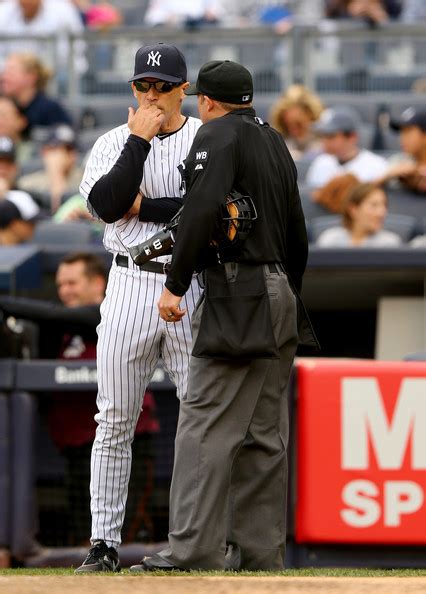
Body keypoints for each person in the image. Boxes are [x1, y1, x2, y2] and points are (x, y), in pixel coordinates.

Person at [131, 59, 317, 572]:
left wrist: (172, 285)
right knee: (263, 432)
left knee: (204, 420)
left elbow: (201, 210)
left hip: (241, 289)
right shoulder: (275, 141)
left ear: (207, 102)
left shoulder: (216, 135)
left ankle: (191, 550)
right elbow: (298, 229)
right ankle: (259, 555)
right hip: (279, 289)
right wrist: (286, 293)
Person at [74, 42, 202, 573]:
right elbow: (105, 205)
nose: (152, 96)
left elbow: (207, 209)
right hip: (127, 285)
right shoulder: (112, 142)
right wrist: (139, 142)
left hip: (190, 283)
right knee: (114, 420)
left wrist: (143, 206)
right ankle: (103, 545)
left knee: (199, 418)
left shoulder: (204, 138)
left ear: (183, 89)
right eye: (143, 86)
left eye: (163, 87)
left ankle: (200, 539)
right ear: (133, 88)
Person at [0, 252, 160, 546]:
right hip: (76, 446)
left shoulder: (115, 313)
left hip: (127, 442)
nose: (65, 291)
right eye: (60, 284)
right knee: (82, 531)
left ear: (97, 282)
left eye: (72, 283)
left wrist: (6, 304)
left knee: (128, 533)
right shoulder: (58, 331)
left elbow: (60, 316)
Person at [305, 107, 389, 211]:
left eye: (331, 136)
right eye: (323, 136)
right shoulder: (320, 163)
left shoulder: (377, 165)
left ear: (352, 137)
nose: (325, 142)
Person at [1, 52, 73, 137]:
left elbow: (67, 140)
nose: (4, 77)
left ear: (31, 77)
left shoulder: (50, 110)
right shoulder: (8, 105)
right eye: (5, 71)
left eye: (11, 72)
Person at [19, 124, 83, 212]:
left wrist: (57, 173)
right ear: (45, 152)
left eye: (68, 149)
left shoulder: (87, 180)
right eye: (55, 148)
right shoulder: (27, 184)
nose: (62, 155)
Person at [316, 182, 402, 247]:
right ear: (354, 210)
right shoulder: (330, 240)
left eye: (384, 205)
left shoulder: (390, 243)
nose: (382, 212)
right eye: (374, 205)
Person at [268, 84, 324, 160]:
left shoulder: (326, 143)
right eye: (287, 125)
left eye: (298, 124)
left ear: (311, 117)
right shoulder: (281, 144)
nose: (293, 130)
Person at [378, 107, 426, 195]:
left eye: (408, 132)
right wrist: (388, 175)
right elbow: (361, 195)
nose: (402, 138)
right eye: (401, 132)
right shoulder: (397, 162)